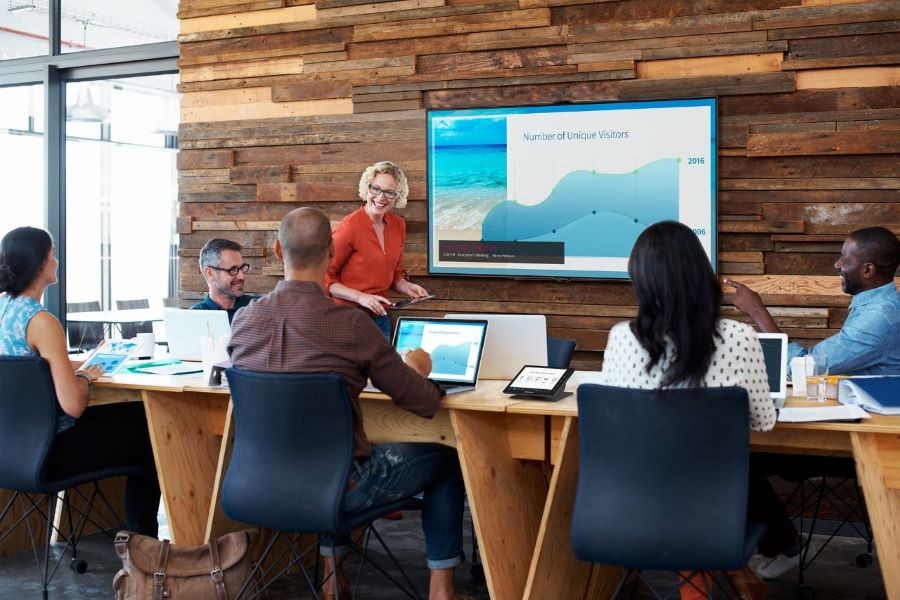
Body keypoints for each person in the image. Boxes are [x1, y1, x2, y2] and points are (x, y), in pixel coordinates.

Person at [229, 208, 464, 600]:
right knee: (447, 458)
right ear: (333, 249)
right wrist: (418, 368)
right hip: (340, 487)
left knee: (325, 454)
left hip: (254, 484)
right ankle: (442, 592)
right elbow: (423, 403)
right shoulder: (350, 325)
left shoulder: (244, 320)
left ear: (275, 251)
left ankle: (331, 580)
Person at [594, 221, 789, 597]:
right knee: (699, 478)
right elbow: (764, 422)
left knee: (678, 476)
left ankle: (729, 572)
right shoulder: (739, 338)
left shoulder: (620, 338)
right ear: (702, 275)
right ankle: (734, 569)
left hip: (627, 504)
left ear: (640, 279)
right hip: (715, 509)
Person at [0, 226, 160, 537]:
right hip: (48, 454)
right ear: (40, 264)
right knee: (146, 425)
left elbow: (29, 366)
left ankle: (110, 535)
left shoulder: (4, 309)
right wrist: (85, 376)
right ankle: (144, 547)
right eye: (53, 255)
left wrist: (79, 362)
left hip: (9, 449)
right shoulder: (41, 321)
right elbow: (73, 405)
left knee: (122, 420)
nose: (56, 262)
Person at [726, 226, 899, 376]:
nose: (837, 265)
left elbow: (802, 368)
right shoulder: (884, 304)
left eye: (844, 260)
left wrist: (756, 310)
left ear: (868, 270)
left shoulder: (878, 318)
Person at [326, 161, 429, 340]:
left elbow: (394, 276)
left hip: (380, 316)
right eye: (375, 189)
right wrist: (360, 297)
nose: (381, 197)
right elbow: (325, 278)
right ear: (367, 189)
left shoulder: (398, 225)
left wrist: (408, 288)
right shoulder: (349, 227)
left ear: (397, 196)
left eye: (389, 192)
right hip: (348, 319)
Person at [191, 238, 256, 323]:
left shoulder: (259, 308)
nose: (242, 276)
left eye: (242, 268)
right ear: (210, 273)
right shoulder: (193, 318)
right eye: (232, 270)